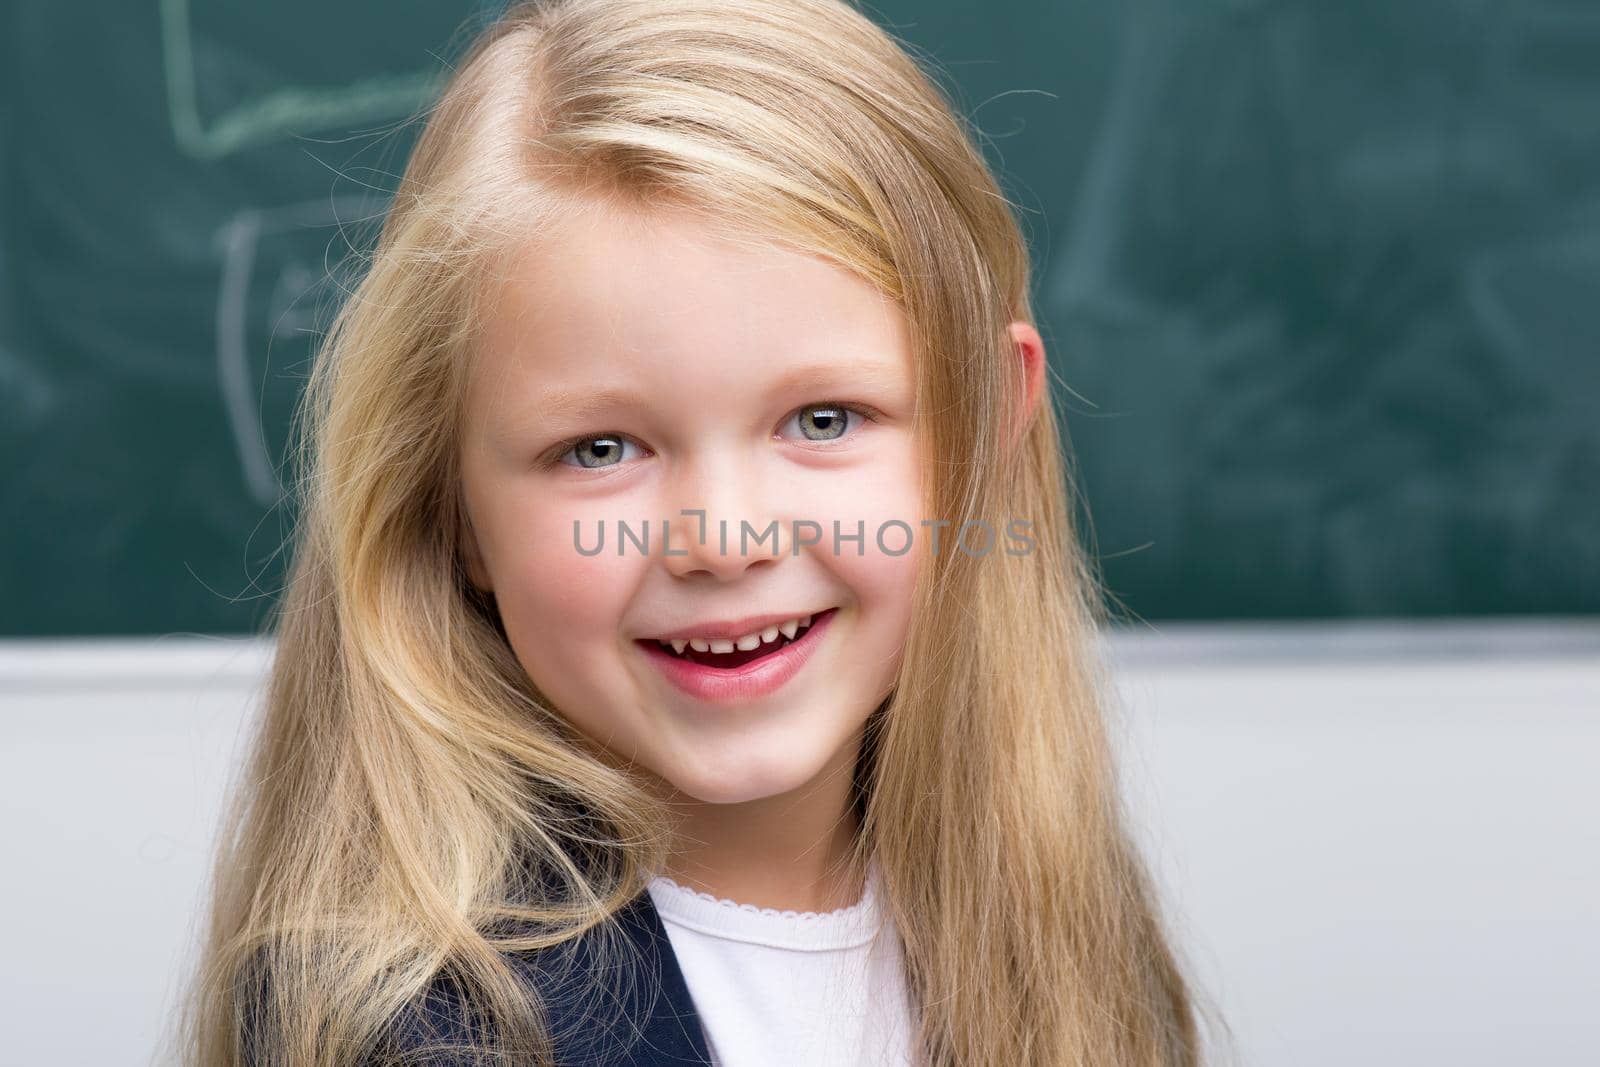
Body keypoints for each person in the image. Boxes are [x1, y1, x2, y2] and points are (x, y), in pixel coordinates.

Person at [175, 0, 1208, 1063]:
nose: (722, 539)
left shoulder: (1061, 937)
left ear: (990, 425)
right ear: (452, 512)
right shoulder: (420, 1036)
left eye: (822, 420)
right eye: (600, 449)